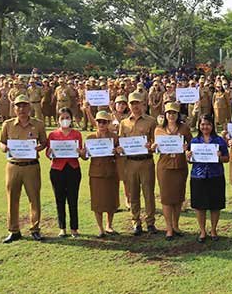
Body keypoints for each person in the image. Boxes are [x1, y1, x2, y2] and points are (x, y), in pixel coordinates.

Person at [0, 94, 48, 243]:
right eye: (18, 106)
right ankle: (13, 230)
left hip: (31, 166)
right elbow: (1, 142)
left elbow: (44, 141)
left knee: (34, 198)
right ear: (14, 108)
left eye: (25, 106)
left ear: (29, 107)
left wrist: (40, 147)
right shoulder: (7, 124)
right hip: (13, 166)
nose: (22, 109)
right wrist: (4, 147)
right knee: (12, 198)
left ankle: (35, 228)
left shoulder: (38, 124)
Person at [118, 91, 158, 236]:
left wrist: (152, 145)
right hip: (130, 162)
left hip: (146, 161)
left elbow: (156, 141)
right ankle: (136, 222)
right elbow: (120, 141)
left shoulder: (151, 121)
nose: (135, 106)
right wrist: (120, 148)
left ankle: (150, 222)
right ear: (128, 105)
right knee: (133, 194)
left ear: (143, 104)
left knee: (148, 193)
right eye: (132, 103)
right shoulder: (124, 122)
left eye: (137, 103)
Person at [187, 114, 229, 243]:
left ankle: (214, 229)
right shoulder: (194, 141)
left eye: (208, 124)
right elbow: (189, 161)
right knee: (200, 206)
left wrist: (219, 157)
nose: (205, 127)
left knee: (215, 205)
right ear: (199, 126)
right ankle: (202, 231)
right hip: (198, 176)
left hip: (215, 175)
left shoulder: (219, 141)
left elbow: (227, 159)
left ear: (212, 125)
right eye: (202, 124)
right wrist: (188, 156)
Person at [153, 102, 192, 240]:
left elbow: (191, 145)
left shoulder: (184, 129)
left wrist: (187, 147)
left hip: (180, 166)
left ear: (178, 114)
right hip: (164, 167)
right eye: (169, 113)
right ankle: (168, 228)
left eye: (174, 113)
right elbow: (155, 148)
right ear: (165, 114)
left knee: (178, 197)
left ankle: (176, 225)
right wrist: (154, 147)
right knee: (166, 198)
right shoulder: (158, 129)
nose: (171, 115)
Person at [46, 107, 84, 238]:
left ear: (71, 119)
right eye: (62, 118)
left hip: (73, 168)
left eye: (67, 117)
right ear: (58, 120)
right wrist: (49, 153)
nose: (65, 120)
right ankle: (62, 228)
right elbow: (48, 153)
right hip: (57, 170)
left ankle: (74, 228)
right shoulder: (52, 135)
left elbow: (81, 152)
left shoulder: (77, 134)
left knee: (73, 199)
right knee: (59, 199)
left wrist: (81, 152)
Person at [84, 110, 120, 238]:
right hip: (96, 173)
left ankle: (109, 225)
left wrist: (117, 150)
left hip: (111, 171)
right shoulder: (90, 138)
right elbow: (84, 157)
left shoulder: (114, 137)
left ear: (109, 123)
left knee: (111, 200)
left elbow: (119, 154)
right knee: (98, 202)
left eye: (104, 122)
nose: (101, 124)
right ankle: (100, 228)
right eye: (99, 121)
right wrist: (83, 152)